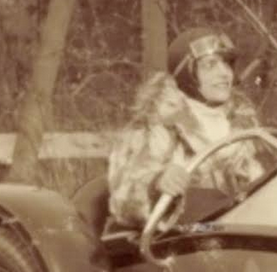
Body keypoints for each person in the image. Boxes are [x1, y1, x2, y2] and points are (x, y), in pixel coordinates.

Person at [108, 27, 267, 227]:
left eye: (226, 63)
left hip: (238, 239)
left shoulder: (245, 130)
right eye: (210, 65)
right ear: (187, 74)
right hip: (176, 246)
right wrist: (156, 183)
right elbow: (123, 199)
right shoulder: (156, 126)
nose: (224, 72)